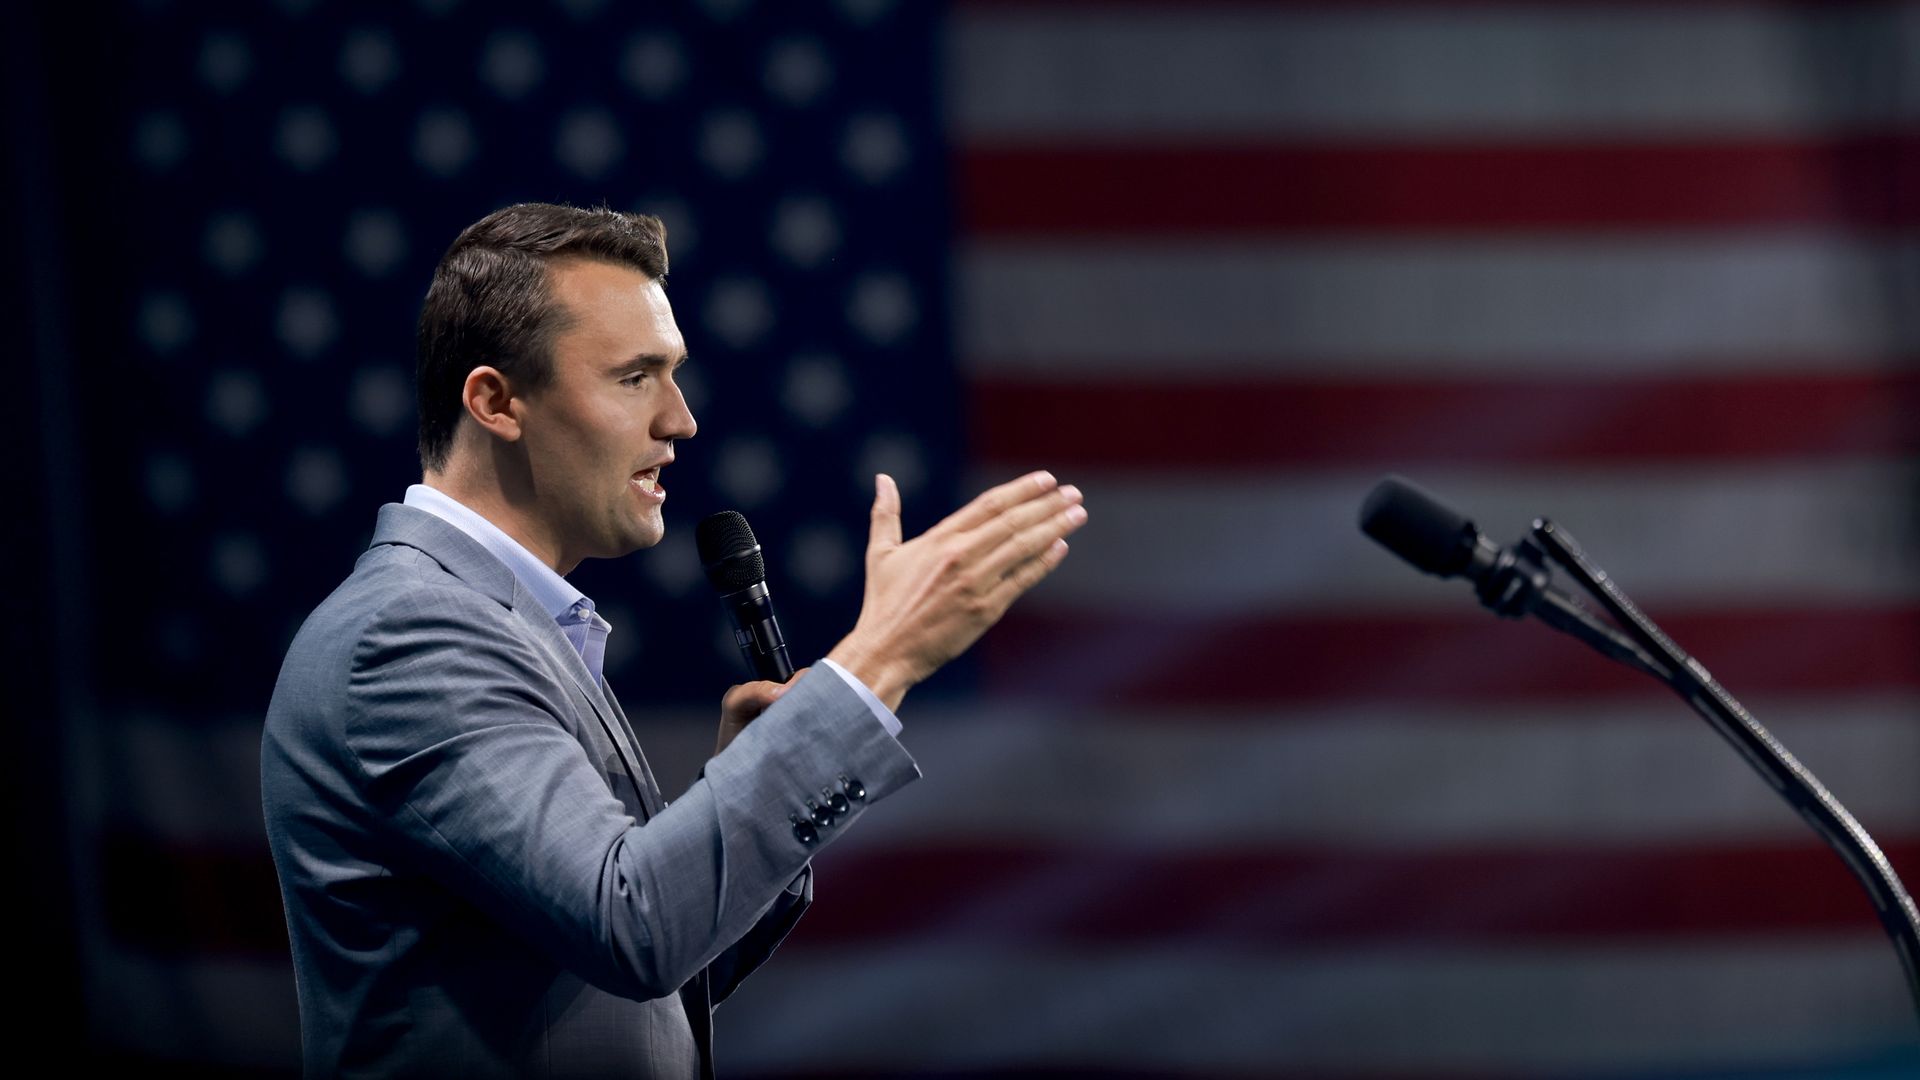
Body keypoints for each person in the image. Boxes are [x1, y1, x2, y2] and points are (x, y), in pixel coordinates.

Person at [260, 203, 1087, 1079]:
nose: (681, 420)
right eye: (634, 378)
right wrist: (880, 659)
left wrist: (752, 773)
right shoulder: (411, 633)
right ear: (496, 401)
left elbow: (643, 991)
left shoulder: (507, 624)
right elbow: (636, 928)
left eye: (675, 374)